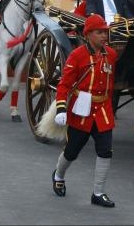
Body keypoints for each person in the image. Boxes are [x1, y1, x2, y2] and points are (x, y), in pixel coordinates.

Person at [51, 14, 117, 208]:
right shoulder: (77, 55)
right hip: (82, 109)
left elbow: (110, 84)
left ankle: (98, 192)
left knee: (105, 151)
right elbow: (64, 85)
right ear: (88, 34)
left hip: (103, 110)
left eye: (105, 32)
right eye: (99, 32)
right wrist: (61, 109)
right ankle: (58, 175)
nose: (104, 35)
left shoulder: (111, 55)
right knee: (72, 151)